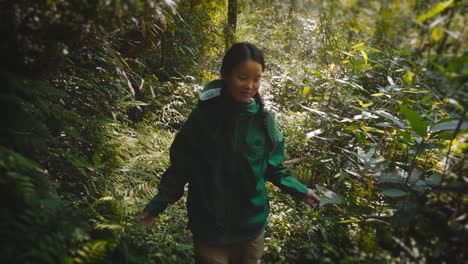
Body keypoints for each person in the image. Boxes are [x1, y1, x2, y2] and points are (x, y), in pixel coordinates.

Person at [140, 42, 320, 264]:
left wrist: (302, 190)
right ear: (226, 75)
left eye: (257, 79)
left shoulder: (264, 122)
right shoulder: (203, 119)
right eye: (242, 77)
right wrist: (159, 203)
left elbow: (274, 168)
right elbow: (181, 167)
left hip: (251, 227)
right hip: (209, 227)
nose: (250, 85)